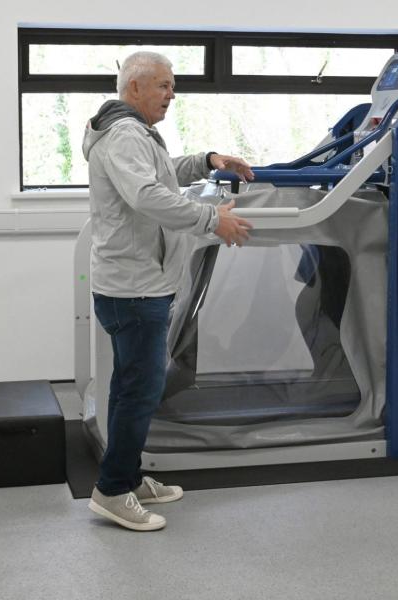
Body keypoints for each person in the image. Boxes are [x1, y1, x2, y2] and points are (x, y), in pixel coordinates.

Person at [83, 51, 254, 532]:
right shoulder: (122, 135)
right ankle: (113, 491)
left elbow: (159, 175)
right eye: (163, 86)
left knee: (129, 386)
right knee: (141, 391)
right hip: (133, 288)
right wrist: (212, 219)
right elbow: (147, 196)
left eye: (171, 86)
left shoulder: (133, 133)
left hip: (137, 283)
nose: (171, 95)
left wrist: (207, 160)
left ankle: (128, 476)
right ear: (134, 87)